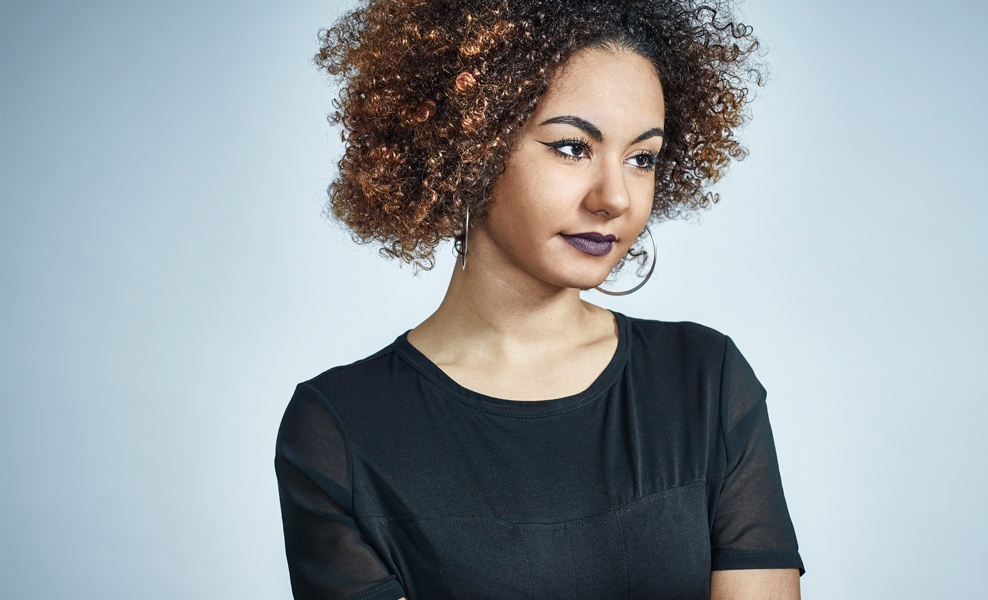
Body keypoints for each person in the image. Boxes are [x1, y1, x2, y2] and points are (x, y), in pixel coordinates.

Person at [274, 0, 804, 598]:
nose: (615, 198)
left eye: (642, 158)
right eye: (573, 146)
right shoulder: (339, 431)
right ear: (469, 140)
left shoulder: (705, 381)